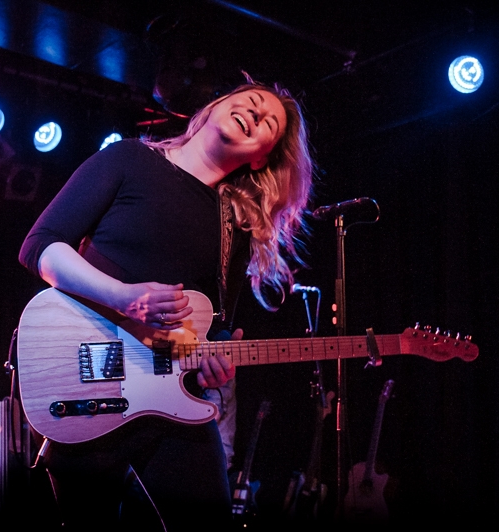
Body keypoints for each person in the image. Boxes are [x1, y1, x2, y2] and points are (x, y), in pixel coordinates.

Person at [18, 77, 314, 531]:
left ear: (261, 156)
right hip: (88, 385)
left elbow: (209, 329)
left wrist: (215, 363)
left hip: (173, 407)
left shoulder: (234, 227)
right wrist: (123, 298)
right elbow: (40, 246)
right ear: (216, 106)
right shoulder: (130, 158)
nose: (255, 114)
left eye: (268, 122)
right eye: (249, 102)